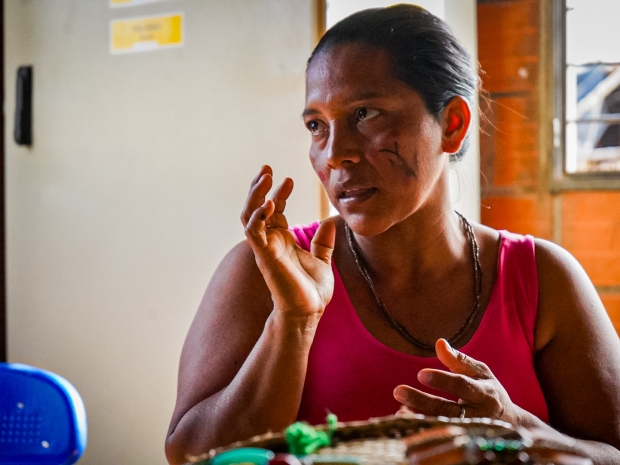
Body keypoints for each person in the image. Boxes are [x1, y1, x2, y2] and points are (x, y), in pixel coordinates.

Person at [165, 5, 620, 464]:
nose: (336, 153)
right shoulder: (266, 271)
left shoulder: (541, 279)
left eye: (366, 113)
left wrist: (515, 431)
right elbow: (191, 457)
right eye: (316, 125)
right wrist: (293, 322)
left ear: (452, 125)